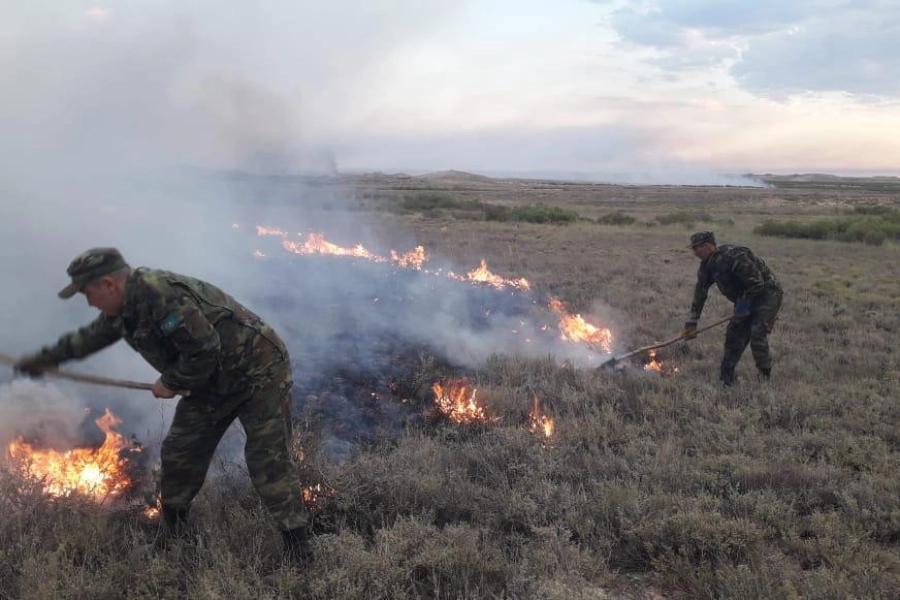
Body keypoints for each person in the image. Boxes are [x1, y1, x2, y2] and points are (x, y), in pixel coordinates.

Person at [14, 248, 313, 563]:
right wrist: (46, 360)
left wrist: (171, 382)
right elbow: (89, 337)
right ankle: (175, 535)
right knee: (180, 452)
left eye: (89, 294)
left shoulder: (160, 295)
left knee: (268, 458)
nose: (90, 303)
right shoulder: (122, 311)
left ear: (108, 284)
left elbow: (205, 348)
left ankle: (298, 547)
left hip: (257, 371)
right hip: (209, 382)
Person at [682, 232, 783, 386]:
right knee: (734, 335)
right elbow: (700, 292)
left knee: (757, 333)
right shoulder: (707, 266)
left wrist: (743, 305)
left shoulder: (735, 257)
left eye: (696, 248)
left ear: (708, 246)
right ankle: (726, 377)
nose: (694, 252)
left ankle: (764, 377)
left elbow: (757, 283)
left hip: (767, 294)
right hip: (745, 297)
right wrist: (692, 321)